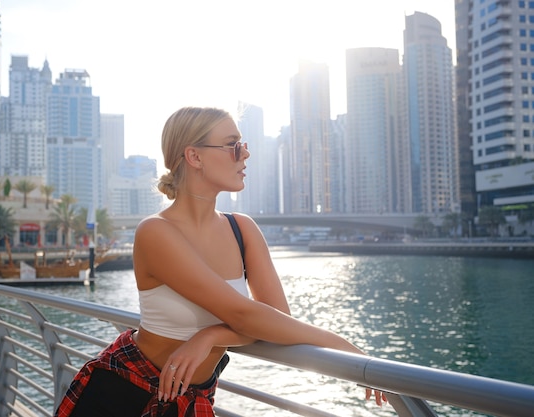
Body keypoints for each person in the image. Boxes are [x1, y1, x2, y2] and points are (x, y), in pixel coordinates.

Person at [55, 106, 387, 416]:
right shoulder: (155, 231)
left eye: (242, 145)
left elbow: (276, 320)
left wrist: (211, 337)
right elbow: (246, 314)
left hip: (193, 400)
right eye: (232, 146)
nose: (245, 154)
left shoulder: (242, 229)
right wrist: (346, 347)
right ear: (194, 156)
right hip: (123, 392)